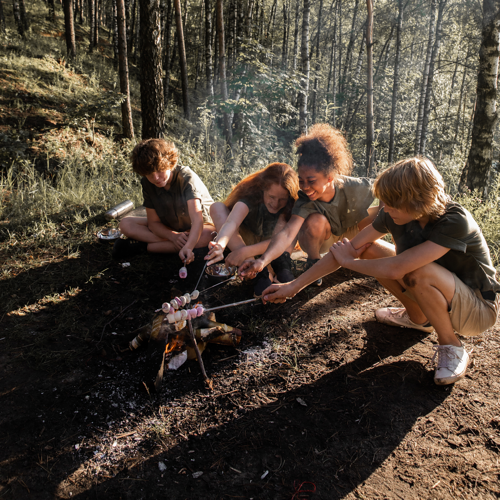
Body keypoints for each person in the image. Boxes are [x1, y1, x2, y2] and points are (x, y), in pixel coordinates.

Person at [262, 157, 500, 386]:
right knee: (369, 250)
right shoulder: (392, 213)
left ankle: (452, 346)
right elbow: (349, 249)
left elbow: (398, 267)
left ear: (417, 201)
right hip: (444, 291)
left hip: (477, 309)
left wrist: (348, 263)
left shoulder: (455, 220)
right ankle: (419, 317)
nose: (383, 208)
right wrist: (293, 286)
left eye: (391, 203)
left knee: (420, 272)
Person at [239, 123, 379, 286]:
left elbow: (386, 188)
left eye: (311, 181)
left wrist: (382, 222)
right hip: (323, 238)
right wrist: (263, 261)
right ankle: (314, 262)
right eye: (301, 181)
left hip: (350, 231)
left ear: (330, 177)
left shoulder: (354, 186)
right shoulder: (305, 201)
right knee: (316, 220)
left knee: (382, 213)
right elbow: (287, 234)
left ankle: (393, 253)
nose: (305, 187)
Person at [113, 139, 215, 264]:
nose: (155, 178)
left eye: (160, 170)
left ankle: (143, 246)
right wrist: (173, 236)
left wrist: (188, 246)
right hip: (170, 225)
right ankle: (172, 244)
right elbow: (153, 223)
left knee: (209, 235)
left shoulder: (187, 178)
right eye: (149, 174)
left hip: (198, 227)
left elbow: (197, 220)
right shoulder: (147, 183)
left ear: (170, 164)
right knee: (125, 224)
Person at [206, 162, 300, 296]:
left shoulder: (290, 204)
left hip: (273, 248)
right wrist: (220, 244)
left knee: (294, 224)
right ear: (263, 189)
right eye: (271, 197)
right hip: (244, 241)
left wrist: (244, 252)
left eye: (282, 199)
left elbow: (281, 240)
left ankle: (281, 266)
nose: (275, 204)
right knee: (217, 207)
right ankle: (256, 270)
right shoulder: (250, 194)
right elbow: (232, 222)